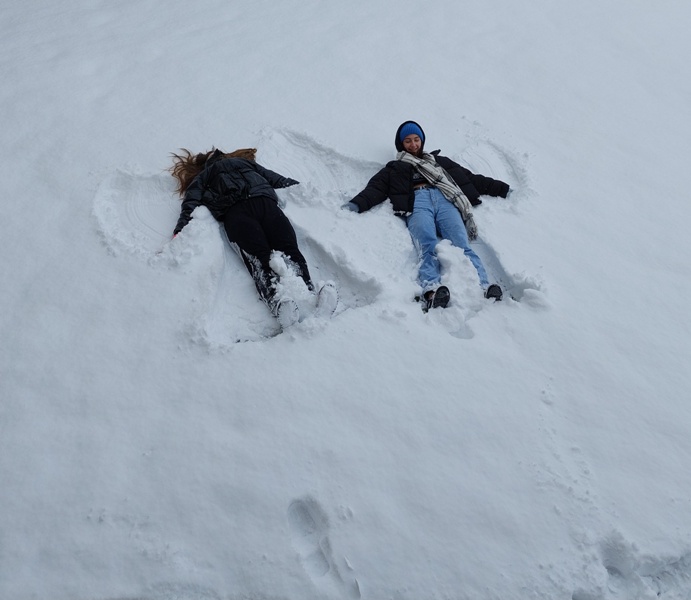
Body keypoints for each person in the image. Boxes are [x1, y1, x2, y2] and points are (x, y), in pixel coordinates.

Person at [343, 120, 510, 311]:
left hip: (445, 199)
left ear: (422, 140)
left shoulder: (440, 162)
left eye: (416, 139)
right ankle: (431, 291)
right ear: (401, 144)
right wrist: (356, 204)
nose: (413, 145)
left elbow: (470, 179)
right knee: (427, 244)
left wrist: (502, 189)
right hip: (418, 202)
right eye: (408, 141)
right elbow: (376, 189)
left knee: (461, 242)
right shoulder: (395, 168)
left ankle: (483, 286)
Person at [171, 147, 337, 328]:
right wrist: (180, 229)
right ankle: (280, 303)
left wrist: (304, 189)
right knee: (264, 255)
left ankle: (308, 296)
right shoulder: (210, 174)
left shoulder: (228, 168)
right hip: (246, 210)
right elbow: (191, 202)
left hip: (251, 209)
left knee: (281, 250)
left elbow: (274, 178)